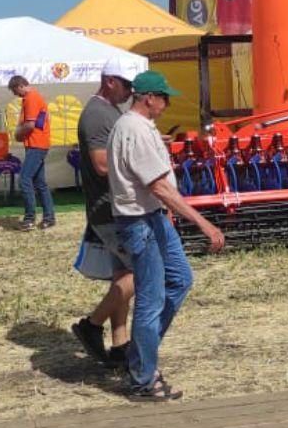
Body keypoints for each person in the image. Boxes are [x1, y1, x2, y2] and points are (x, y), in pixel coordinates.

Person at [108, 70, 226, 401]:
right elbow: (158, 186)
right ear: (148, 98)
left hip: (151, 218)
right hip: (141, 221)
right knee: (151, 299)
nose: (167, 103)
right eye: (164, 97)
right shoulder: (135, 130)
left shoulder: (136, 128)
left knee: (180, 280)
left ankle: (140, 355)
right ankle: (142, 378)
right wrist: (205, 224)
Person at [69, 71, 137, 370]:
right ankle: (92, 325)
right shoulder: (97, 114)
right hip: (110, 210)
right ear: (110, 81)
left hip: (111, 208)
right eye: (127, 85)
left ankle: (120, 344)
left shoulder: (108, 110)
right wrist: (141, 163)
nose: (130, 91)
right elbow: (101, 164)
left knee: (122, 277)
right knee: (142, 272)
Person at [7, 75, 55, 229]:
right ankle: (49, 217)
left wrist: (17, 135)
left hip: (36, 145)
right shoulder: (34, 97)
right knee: (40, 183)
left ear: (21, 85)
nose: (15, 94)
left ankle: (29, 219)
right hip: (38, 144)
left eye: (15, 91)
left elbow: (30, 125)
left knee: (24, 179)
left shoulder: (31, 98)